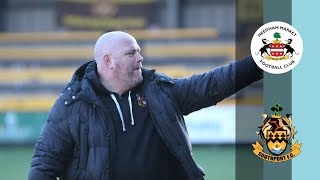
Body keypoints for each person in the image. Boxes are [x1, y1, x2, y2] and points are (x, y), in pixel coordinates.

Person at [28, 31, 262, 180]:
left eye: (139, 52)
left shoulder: (160, 91)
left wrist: (258, 62)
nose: (140, 58)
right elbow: (45, 164)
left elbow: (212, 84)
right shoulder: (71, 104)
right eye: (132, 53)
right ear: (108, 61)